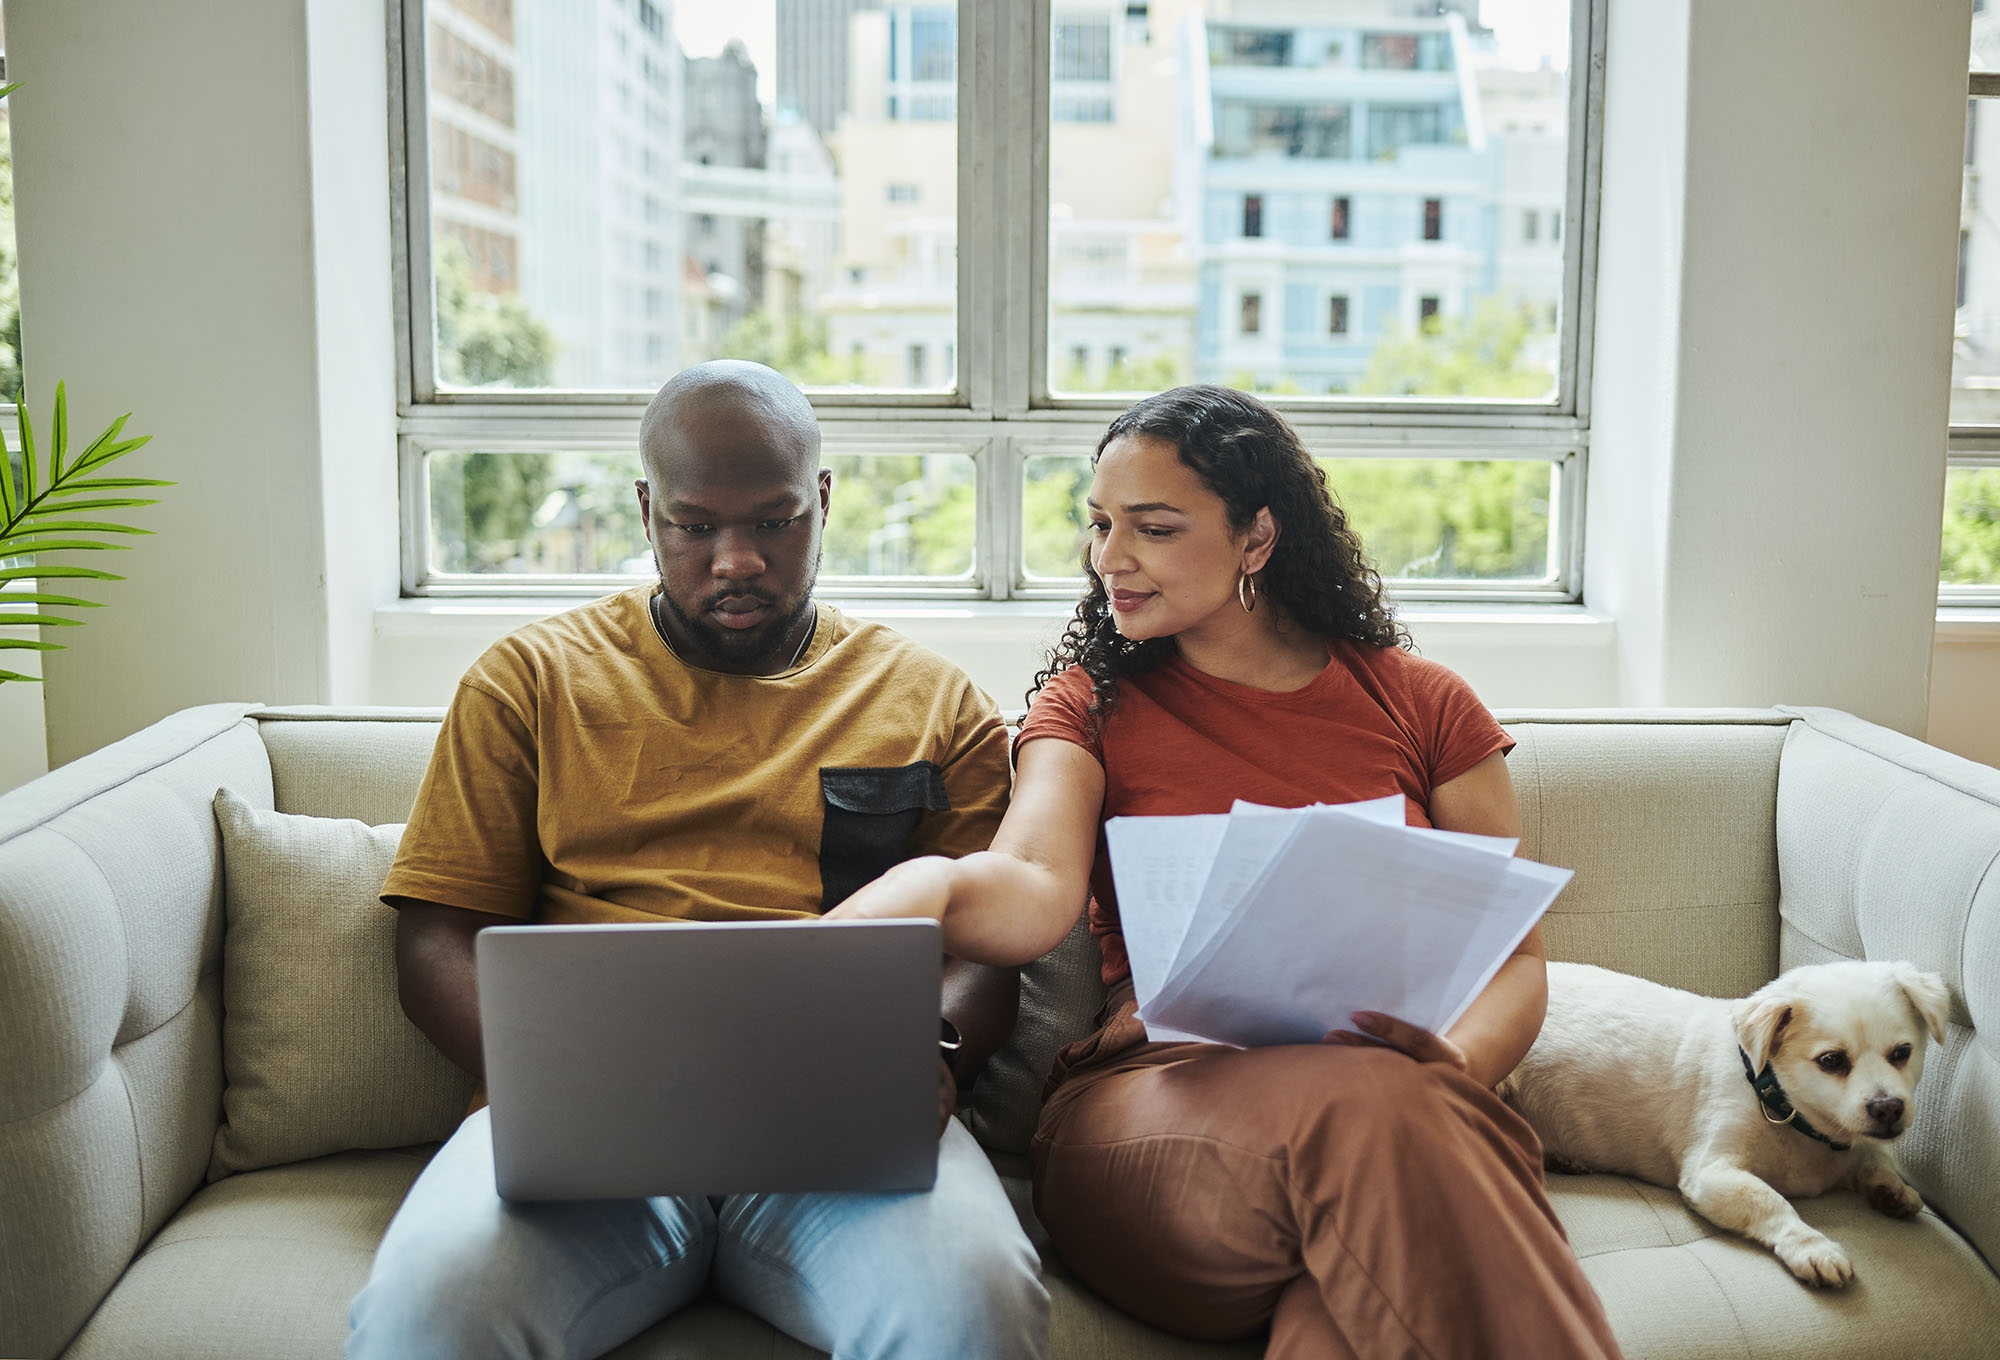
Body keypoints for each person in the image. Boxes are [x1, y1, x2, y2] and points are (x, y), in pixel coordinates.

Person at [829, 385, 1625, 1359]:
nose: (1107, 557)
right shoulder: (1088, 704)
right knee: (1379, 1116)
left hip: (1391, 1120)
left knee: (1350, 1280)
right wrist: (922, 895)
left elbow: (1509, 959)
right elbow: (1032, 883)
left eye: (1152, 529)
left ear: (1256, 538)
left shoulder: (1423, 704)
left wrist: (1449, 1069)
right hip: (1153, 1110)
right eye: (1098, 524)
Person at [347, 360, 1049, 1360]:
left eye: (773, 522)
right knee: (430, 1311)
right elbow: (434, 942)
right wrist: (577, 1085)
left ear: (822, 501)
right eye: (694, 525)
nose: (737, 561)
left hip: (839, 1140)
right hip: (588, 1141)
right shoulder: (530, 682)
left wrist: (927, 1052)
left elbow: (986, 952)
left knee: (971, 1306)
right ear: (645, 510)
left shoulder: (933, 703)